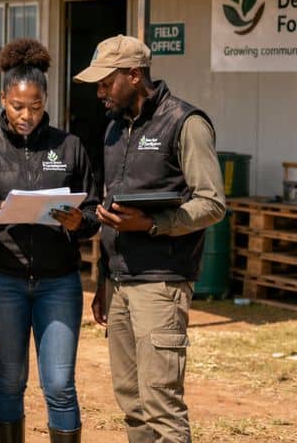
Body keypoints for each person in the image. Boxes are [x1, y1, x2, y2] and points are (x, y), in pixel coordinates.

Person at [75, 35, 226, 443]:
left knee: (161, 405)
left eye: (106, 83)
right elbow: (112, 207)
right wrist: (105, 281)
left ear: (134, 75)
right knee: (132, 403)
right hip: (121, 283)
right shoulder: (113, 130)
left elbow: (212, 204)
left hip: (161, 283)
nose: (100, 92)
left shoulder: (186, 123)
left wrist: (153, 224)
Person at [0, 40, 100, 443]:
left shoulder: (69, 146)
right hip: (0, 279)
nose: (26, 116)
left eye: (36, 107)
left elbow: (93, 213)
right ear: (2, 98)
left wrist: (79, 221)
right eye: (17, 106)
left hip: (59, 283)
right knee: (9, 380)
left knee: (59, 385)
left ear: (46, 101)